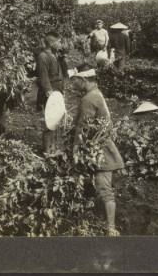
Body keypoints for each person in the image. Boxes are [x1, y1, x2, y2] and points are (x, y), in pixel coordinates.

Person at [71, 64, 125, 236]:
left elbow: (82, 128)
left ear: (83, 79)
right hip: (102, 144)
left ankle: (111, 228)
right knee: (97, 185)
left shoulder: (88, 99)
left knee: (104, 188)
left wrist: (75, 149)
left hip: (100, 150)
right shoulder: (96, 93)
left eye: (76, 81)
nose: (73, 84)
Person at [35, 33, 68, 154]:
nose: (60, 44)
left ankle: (54, 148)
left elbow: (62, 73)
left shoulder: (55, 55)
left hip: (57, 91)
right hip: (49, 93)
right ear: (52, 43)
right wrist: (50, 94)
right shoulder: (43, 56)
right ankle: (48, 150)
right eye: (59, 42)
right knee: (49, 122)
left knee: (57, 120)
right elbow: (43, 78)